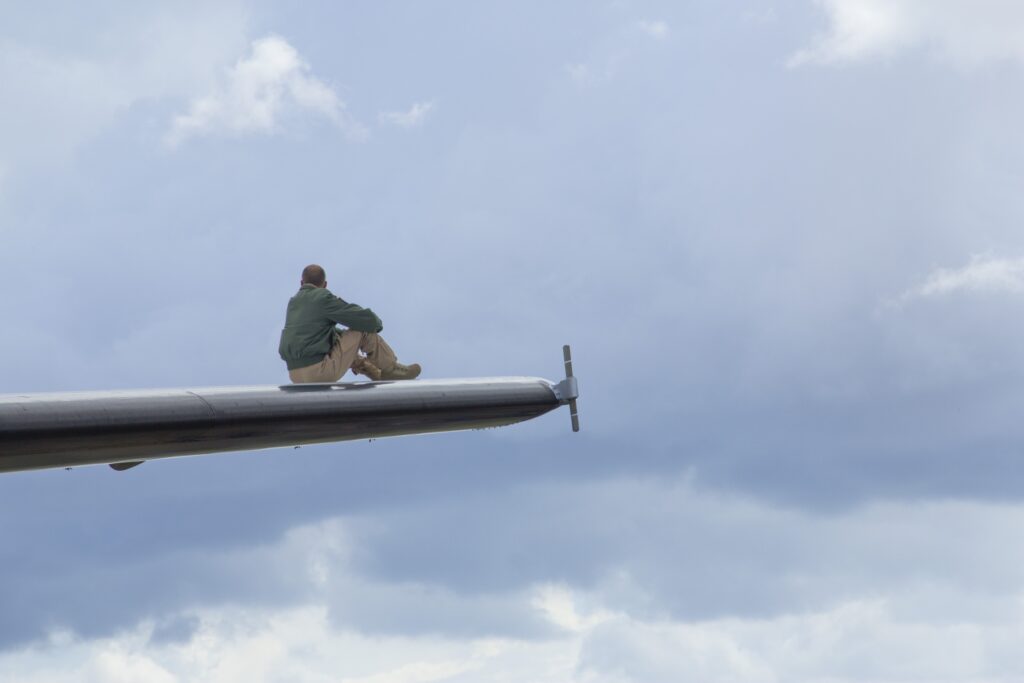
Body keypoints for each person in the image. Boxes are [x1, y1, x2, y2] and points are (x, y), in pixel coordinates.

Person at [278, 264, 421, 383]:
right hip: (319, 372)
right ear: (325, 285)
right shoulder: (322, 298)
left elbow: (326, 336)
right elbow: (365, 319)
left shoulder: (293, 303)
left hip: (295, 375)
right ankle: (391, 369)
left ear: (301, 283)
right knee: (362, 330)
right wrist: (377, 324)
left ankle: (373, 371)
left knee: (340, 338)